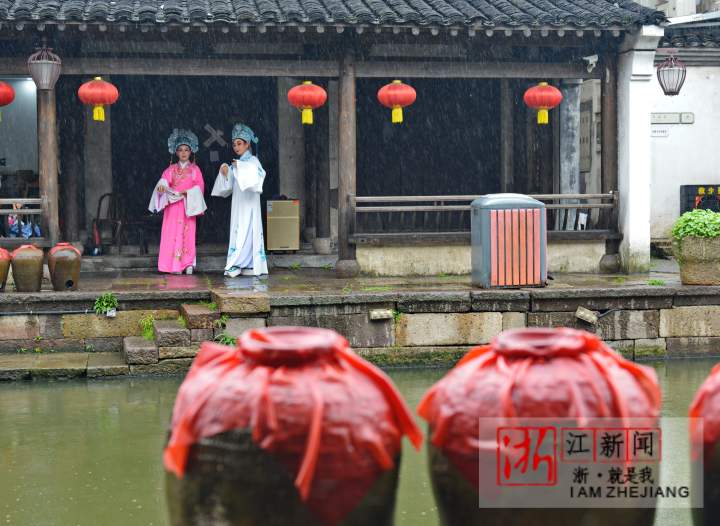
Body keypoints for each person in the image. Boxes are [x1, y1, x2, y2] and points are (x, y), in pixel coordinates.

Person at [212, 123, 268, 277]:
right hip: (239, 203)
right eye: (234, 144)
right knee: (240, 229)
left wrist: (240, 167)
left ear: (247, 144)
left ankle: (239, 263)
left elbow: (259, 174)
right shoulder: (239, 163)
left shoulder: (253, 161)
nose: (236, 147)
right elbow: (228, 184)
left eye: (239, 144)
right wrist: (225, 170)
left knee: (248, 229)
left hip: (249, 204)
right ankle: (245, 264)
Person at [148, 129, 206, 274]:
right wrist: (162, 186)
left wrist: (188, 193)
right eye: (180, 150)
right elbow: (164, 181)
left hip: (187, 205)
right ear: (176, 152)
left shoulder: (195, 170)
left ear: (191, 151)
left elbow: (200, 188)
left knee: (188, 234)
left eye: (186, 149)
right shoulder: (171, 169)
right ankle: (173, 265)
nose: (184, 153)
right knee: (172, 234)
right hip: (173, 206)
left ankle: (187, 264)